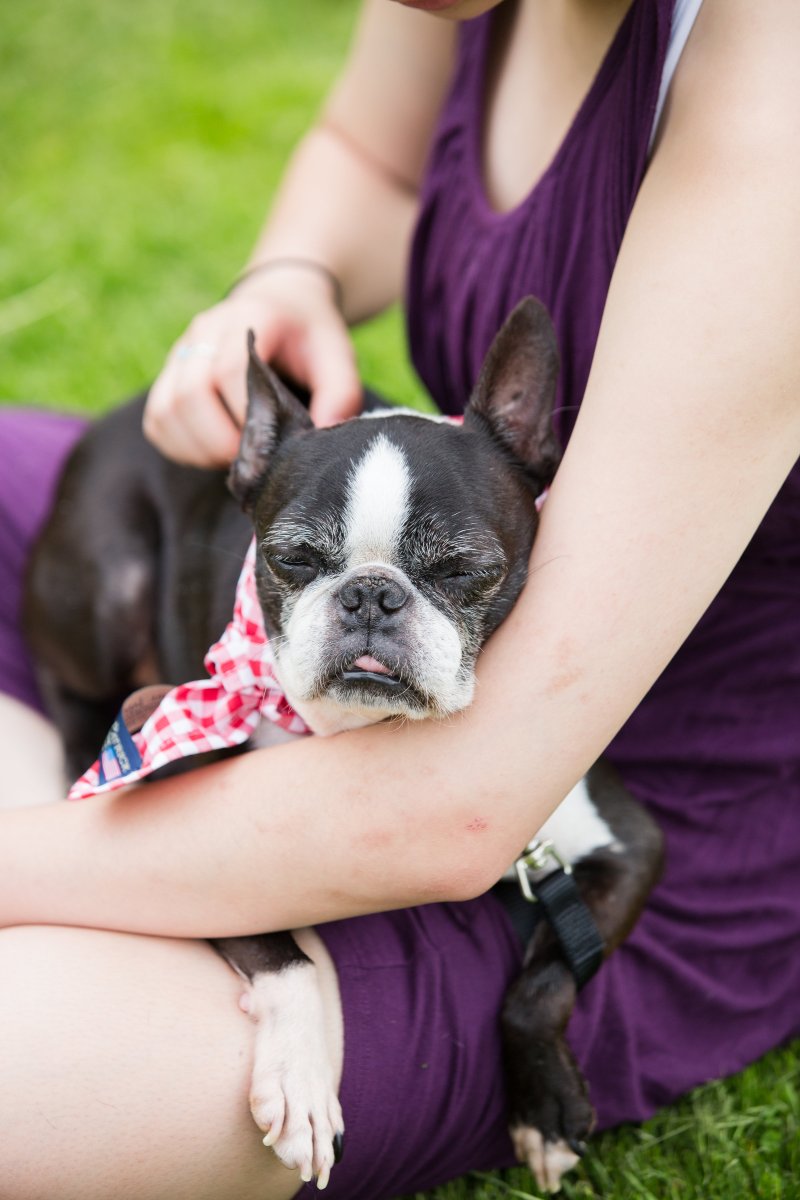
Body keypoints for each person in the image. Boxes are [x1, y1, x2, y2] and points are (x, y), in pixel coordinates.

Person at [1, 0, 799, 1196]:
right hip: (370, 587)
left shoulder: (770, 108)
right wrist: (284, 277)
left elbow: (457, 813)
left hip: (539, 797)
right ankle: (88, 741)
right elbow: (369, 160)